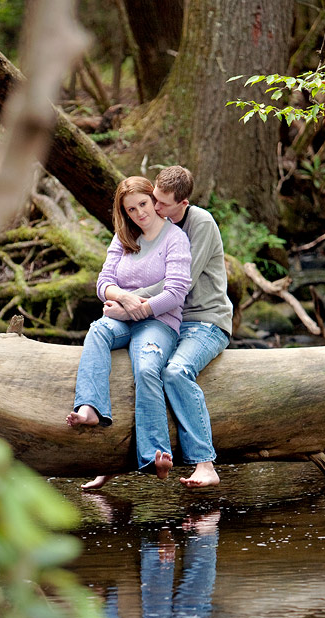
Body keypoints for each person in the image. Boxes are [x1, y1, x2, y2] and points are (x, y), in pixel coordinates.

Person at [83, 166, 233, 490]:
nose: (154, 209)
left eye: (161, 204)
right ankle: (115, 460)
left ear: (183, 203)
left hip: (204, 321)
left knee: (175, 372)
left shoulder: (198, 225)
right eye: (153, 200)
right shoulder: (143, 229)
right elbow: (112, 277)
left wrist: (126, 305)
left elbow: (177, 284)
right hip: (167, 320)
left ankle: (205, 462)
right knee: (135, 369)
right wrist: (123, 302)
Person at [66, 176, 191, 479]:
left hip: (159, 322)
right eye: (131, 209)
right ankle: (90, 408)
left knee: (147, 368)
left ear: (153, 200)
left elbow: (175, 293)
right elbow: (103, 283)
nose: (139, 214)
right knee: (97, 330)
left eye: (143, 204)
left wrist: (131, 311)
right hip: (121, 318)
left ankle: (157, 455)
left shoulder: (175, 239)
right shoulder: (123, 238)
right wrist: (120, 297)